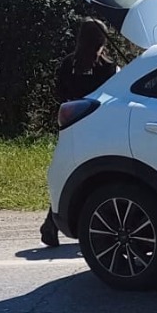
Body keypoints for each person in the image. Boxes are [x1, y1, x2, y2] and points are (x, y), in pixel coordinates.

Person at [40, 16, 118, 247]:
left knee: (72, 175)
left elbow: (59, 92)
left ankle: (52, 223)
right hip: (100, 128)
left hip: (73, 126)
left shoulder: (68, 64)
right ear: (102, 40)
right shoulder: (108, 67)